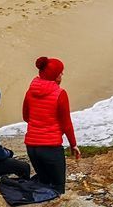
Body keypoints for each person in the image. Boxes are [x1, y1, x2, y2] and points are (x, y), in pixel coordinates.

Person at [22, 56, 80, 193]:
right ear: (55, 76)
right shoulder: (60, 94)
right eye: (60, 72)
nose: (62, 74)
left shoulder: (30, 91)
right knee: (58, 189)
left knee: (44, 183)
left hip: (31, 147)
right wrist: (73, 144)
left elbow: (26, 117)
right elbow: (66, 124)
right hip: (51, 148)